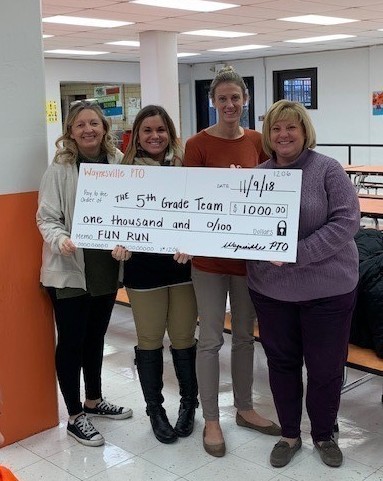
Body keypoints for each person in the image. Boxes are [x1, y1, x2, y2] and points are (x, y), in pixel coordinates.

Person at [247, 99, 360, 468]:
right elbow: (246, 229)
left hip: (328, 290)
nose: (283, 135)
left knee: (326, 367)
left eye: (291, 127)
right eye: (276, 128)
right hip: (271, 290)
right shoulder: (259, 174)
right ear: (268, 134)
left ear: (304, 131)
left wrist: (298, 252)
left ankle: (325, 434)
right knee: (281, 364)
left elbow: (346, 223)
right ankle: (289, 434)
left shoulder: (327, 170)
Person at [184, 66, 281, 458]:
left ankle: (244, 408)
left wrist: (251, 184)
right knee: (209, 338)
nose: (229, 104)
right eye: (222, 99)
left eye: (235, 98)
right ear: (213, 102)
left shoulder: (259, 141)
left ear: (245, 100)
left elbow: (271, 188)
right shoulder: (197, 144)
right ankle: (210, 418)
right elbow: (189, 199)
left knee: (244, 336)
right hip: (208, 261)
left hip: (247, 262)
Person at [36, 101, 133, 448]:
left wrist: (129, 241)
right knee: (72, 343)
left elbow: (130, 213)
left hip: (105, 269)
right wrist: (60, 240)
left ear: (105, 127)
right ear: (70, 131)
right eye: (80, 125)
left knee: (96, 339)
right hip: (69, 271)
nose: (88, 130)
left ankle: (94, 399)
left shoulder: (120, 162)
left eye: (94, 123)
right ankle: (76, 415)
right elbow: (46, 217)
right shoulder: (60, 168)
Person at [112, 105, 199, 444]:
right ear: (137, 134)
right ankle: (156, 410)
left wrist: (193, 240)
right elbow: (112, 218)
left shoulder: (187, 167)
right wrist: (115, 244)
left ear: (170, 132)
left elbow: (201, 212)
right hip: (142, 269)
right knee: (149, 341)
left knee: (183, 338)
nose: (155, 136)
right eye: (147, 130)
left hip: (182, 268)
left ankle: (189, 404)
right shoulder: (124, 172)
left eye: (160, 129)